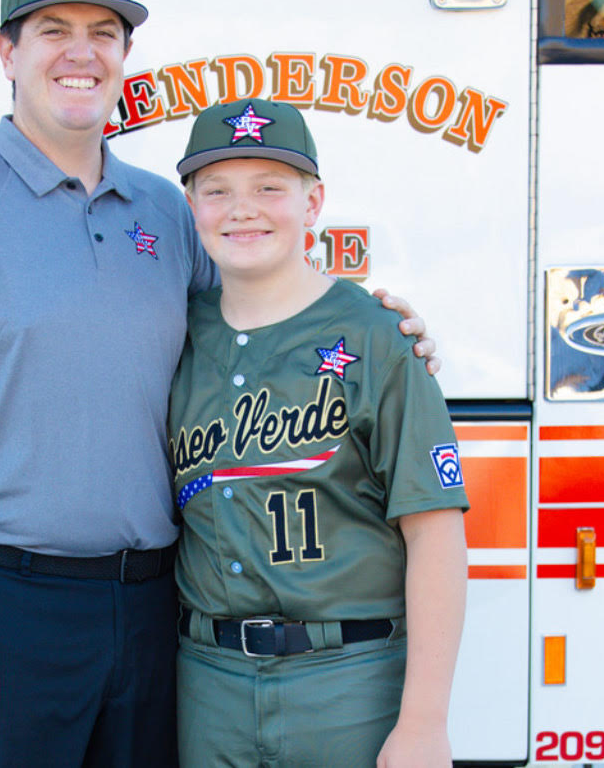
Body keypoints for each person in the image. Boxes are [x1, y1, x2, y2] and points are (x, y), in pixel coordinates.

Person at [0, 0, 439, 766]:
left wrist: (376, 324)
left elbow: (251, 317)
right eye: (54, 29)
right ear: (7, 53)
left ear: (124, 58)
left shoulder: (164, 208)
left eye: (104, 32)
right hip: (0, 607)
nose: (81, 52)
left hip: (157, 608)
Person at [169, 98, 469, 768]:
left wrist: (424, 719)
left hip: (348, 682)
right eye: (217, 190)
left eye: (269, 187)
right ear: (192, 206)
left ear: (313, 202)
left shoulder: (377, 336)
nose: (242, 209)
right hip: (209, 683)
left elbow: (436, 531)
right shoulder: (173, 335)